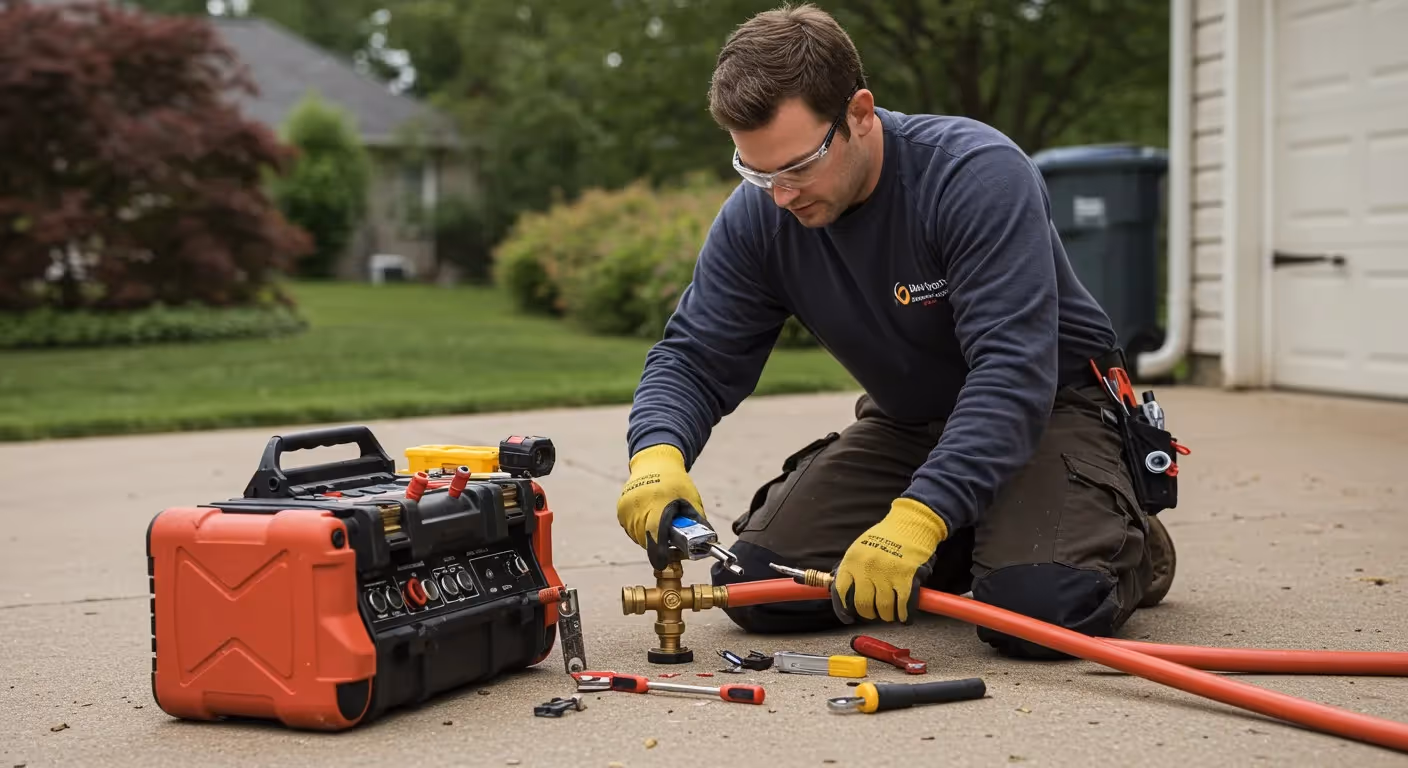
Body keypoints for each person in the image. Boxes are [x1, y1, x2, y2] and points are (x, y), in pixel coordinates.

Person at [614, 3, 1176, 659]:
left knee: (1036, 609)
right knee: (762, 589)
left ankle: (1123, 540)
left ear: (859, 113)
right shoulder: (761, 216)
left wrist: (920, 514)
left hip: (1050, 408)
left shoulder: (975, 176)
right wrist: (656, 454)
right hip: (911, 424)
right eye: (756, 171)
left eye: (796, 167)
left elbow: (1011, 373)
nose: (780, 196)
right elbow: (694, 357)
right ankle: (979, 531)